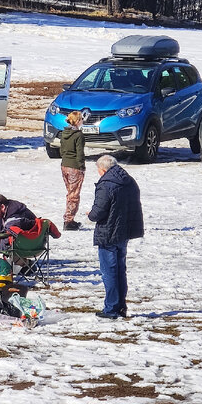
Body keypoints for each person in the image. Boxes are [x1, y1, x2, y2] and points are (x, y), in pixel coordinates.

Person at [87, 155, 143, 319]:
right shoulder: (128, 181)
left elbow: (98, 213)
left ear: (103, 169)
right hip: (124, 232)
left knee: (109, 272)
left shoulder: (106, 185)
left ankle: (111, 308)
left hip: (108, 233)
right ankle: (120, 306)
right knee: (120, 271)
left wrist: (91, 215)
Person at [59, 110, 86, 230]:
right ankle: (69, 221)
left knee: (70, 193)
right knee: (74, 195)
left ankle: (69, 219)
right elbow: (80, 153)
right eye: (81, 119)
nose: (83, 121)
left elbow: (61, 150)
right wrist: (81, 166)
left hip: (64, 165)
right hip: (75, 166)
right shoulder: (78, 135)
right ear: (77, 121)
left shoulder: (64, 133)